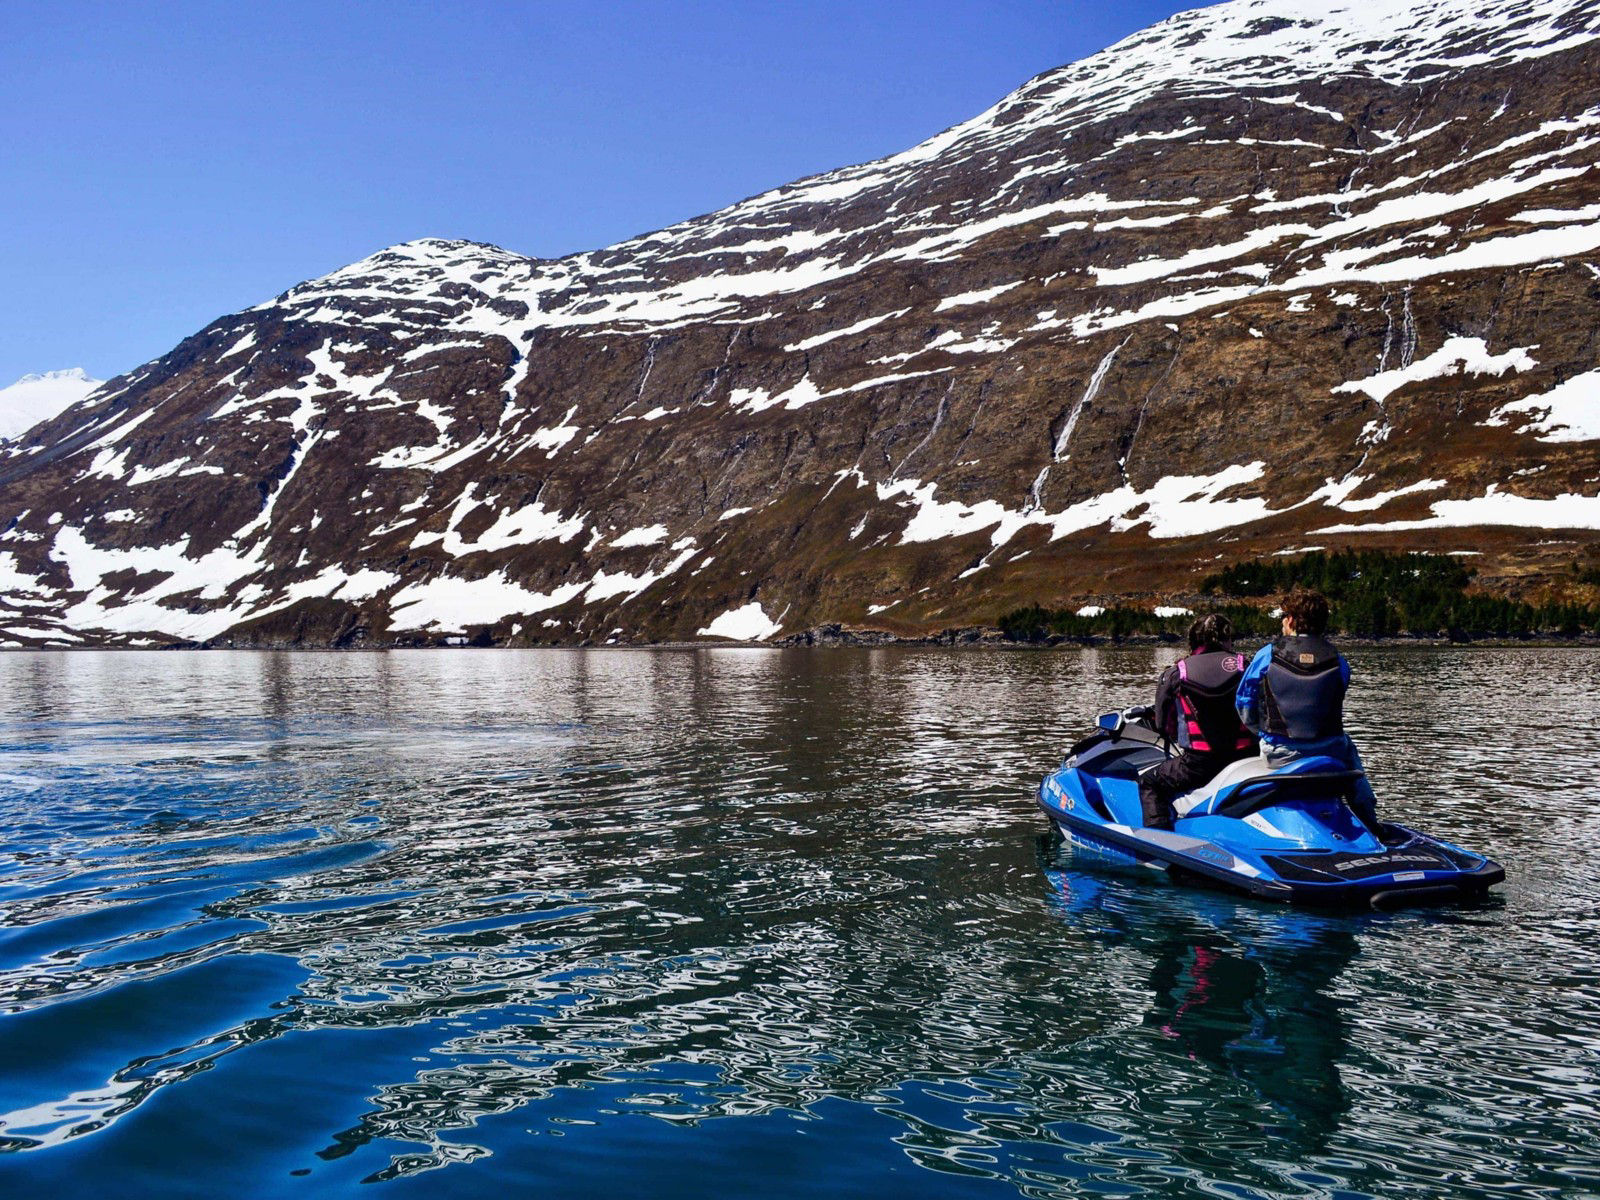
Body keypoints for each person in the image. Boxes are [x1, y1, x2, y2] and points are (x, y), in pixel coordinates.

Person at [1235, 587, 1379, 827]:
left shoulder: (1267, 655)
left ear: (1290, 620)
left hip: (1279, 753)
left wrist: (1261, 731)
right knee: (1348, 747)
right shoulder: (1338, 660)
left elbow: (1244, 703)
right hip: (1330, 752)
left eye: (1285, 616)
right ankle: (1369, 819)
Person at [1138, 613, 1257, 830]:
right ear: (1226, 638)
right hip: (1247, 756)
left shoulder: (1176, 673)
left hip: (1199, 764)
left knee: (1150, 782)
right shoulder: (1246, 666)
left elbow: (1163, 725)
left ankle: (1157, 840)